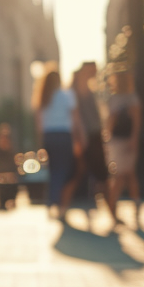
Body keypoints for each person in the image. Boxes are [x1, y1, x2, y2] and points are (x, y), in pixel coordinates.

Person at [59, 61, 114, 224]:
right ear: (85, 71)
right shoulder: (73, 92)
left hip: (94, 137)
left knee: (102, 176)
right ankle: (62, 210)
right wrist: (78, 139)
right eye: (93, 70)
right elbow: (73, 118)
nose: (95, 73)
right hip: (81, 138)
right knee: (75, 173)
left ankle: (114, 214)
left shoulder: (90, 90)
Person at [34, 66, 79, 216]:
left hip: (49, 136)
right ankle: (58, 203)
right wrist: (77, 138)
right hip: (63, 135)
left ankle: (51, 201)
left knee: (53, 170)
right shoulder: (67, 95)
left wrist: (42, 140)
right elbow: (74, 118)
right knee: (63, 170)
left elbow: (39, 121)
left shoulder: (43, 97)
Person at [106, 68, 143, 229]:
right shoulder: (123, 98)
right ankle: (120, 206)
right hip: (119, 140)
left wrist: (133, 138)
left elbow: (135, 120)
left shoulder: (128, 98)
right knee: (125, 174)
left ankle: (115, 206)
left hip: (123, 140)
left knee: (125, 174)